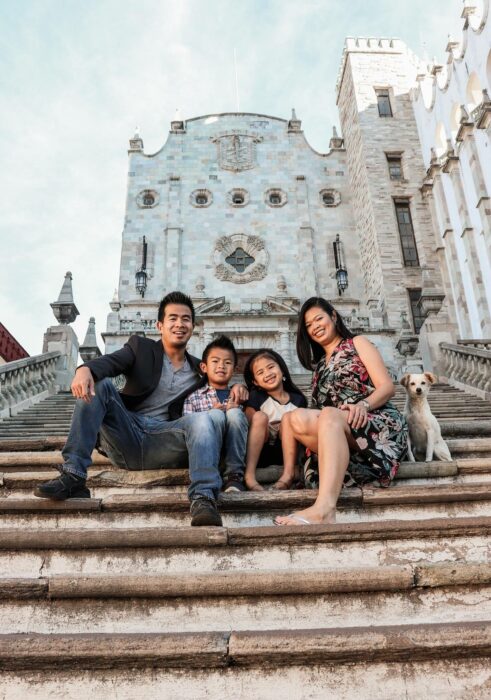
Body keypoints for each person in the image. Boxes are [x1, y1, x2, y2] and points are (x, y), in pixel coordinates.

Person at [34, 291, 247, 527]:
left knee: (202, 419)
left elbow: (220, 380)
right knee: (101, 384)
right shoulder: (141, 348)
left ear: (193, 326)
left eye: (186, 319)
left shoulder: (201, 368)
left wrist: (237, 385)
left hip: (166, 439)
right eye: (173, 318)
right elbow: (111, 362)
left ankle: (203, 498)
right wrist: (85, 369)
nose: (179, 324)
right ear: (160, 325)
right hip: (128, 434)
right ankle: (73, 474)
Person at [275, 297, 408, 526]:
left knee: (328, 414)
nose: (315, 326)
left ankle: (325, 509)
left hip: (375, 421)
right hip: (341, 429)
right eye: (309, 324)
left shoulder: (358, 343)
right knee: (292, 418)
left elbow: (387, 387)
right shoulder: (319, 367)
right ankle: (318, 470)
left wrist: (363, 405)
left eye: (319, 318)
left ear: (333, 316)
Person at [182, 335, 248, 493]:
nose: (221, 366)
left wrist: (236, 409)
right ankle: (211, 473)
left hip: (235, 451)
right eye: (215, 361)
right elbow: (188, 431)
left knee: (235, 415)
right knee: (214, 416)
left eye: (227, 362)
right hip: (207, 454)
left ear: (234, 368)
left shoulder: (240, 395)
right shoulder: (193, 397)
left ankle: (234, 476)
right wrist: (211, 414)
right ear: (204, 367)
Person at [243, 349, 307, 492]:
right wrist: (270, 427)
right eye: (260, 372)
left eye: (271, 367)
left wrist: (285, 424)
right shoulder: (256, 396)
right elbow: (248, 423)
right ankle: (249, 475)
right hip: (262, 452)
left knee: (289, 419)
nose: (267, 374)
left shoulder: (298, 399)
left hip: (287, 452)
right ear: (255, 381)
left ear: (282, 370)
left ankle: (288, 474)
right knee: (260, 417)